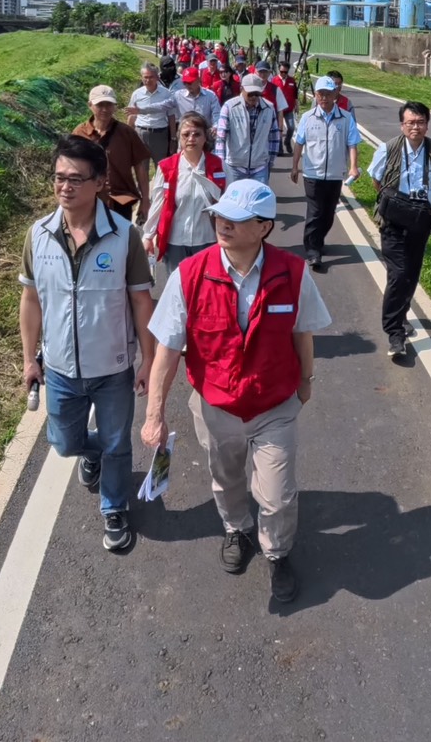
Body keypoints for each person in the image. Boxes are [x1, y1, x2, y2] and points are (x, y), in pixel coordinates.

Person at [139, 179, 330, 605]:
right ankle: (237, 529)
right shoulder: (190, 274)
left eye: (237, 219)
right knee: (226, 480)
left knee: (278, 495)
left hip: (274, 404)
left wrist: (305, 382)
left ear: (264, 227)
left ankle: (276, 552)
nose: (222, 223)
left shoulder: (293, 273)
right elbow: (167, 351)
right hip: (215, 404)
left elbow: (303, 335)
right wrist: (154, 414)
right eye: (220, 215)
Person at [20, 135, 156, 553]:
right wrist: (29, 360)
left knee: (117, 444)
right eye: (59, 178)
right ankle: (91, 452)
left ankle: (114, 507)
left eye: (76, 179)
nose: (65, 187)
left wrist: (149, 360)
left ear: (100, 182)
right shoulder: (38, 235)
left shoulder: (124, 236)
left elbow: (140, 300)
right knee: (64, 444)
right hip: (60, 368)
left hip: (112, 367)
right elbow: (31, 298)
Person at [369, 101, 431, 359]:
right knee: (399, 273)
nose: (416, 127)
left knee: (411, 274)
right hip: (393, 223)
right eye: (411, 122)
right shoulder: (389, 149)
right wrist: (394, 203)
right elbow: (375, 179)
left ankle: (401, 317)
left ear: (427, 124)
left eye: (420, 122)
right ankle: (395, 333)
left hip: (421, 222)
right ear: (402, 125)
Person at [291, 76, 361, 271]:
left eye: (328, 94)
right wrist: (294, 165)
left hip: (334, 174)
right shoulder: (308, 117)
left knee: (328, 213)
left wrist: (353, 166)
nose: (324, 98)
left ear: (335, 95)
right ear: (315, 95)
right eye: (320, 94)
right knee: (315, 211)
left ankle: (318, 239)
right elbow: (299, 143)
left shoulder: (345, 118)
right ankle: (313, 251)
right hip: (312, 174)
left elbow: (352, 143)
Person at [144, 112, 226, 275]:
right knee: (178, 292)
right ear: (179, 138)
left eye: (197, 134)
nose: (191, 139)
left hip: (208, 240)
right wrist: (148, 236)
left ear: (205, 138)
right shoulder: (166, 166)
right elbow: (158, 204)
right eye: (186, 134)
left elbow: (228, 204)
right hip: (175, 242)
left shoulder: (219, 165)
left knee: (206, 291)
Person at [73, 85, 151, 223]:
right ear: (90, 105)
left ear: (114, 106)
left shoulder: (126, 133)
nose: (104, 109)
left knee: (120, 241)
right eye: (100, 104)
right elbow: (70, 169)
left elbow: (140, 168)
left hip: (121, 201)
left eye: (109, 104)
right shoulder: (79, 134)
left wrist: (145, 201)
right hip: (89, 201)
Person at [215, 73, 281, 184]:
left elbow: (274, 136)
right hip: (234, 167)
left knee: (259, 201)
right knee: (234, 201)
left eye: (257, 93)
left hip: (260, 167)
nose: (254, 97)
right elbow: (221, 137)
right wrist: (221, 163)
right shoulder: (229, 107)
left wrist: (270, 161)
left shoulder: (269, 108)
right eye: (250, 93)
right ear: (242, 89)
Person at [128, 62, 182, 176]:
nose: (148, 80)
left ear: (157, 77)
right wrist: (129, 135)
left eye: (151, 77)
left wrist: (173, 138)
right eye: (145, 77)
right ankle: (144, 193)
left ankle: (161, 193)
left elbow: (171, 116)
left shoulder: (166, 94)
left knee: (161, 169)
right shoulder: (137, 94)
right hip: (140, 133)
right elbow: (131, 115)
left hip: (159, 134)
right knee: (142, 170)